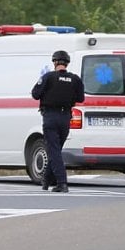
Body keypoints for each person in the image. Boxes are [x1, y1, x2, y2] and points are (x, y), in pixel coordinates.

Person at [31, 50, 85, 193]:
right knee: (55, 150)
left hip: (50, 117)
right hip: (66, 118)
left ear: (54, 62)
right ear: (67, 63)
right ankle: (47, 180)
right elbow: (80, 98)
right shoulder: (75, 79)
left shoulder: (48, 77)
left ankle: (62, 182)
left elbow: (35, 94)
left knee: (54, 151)